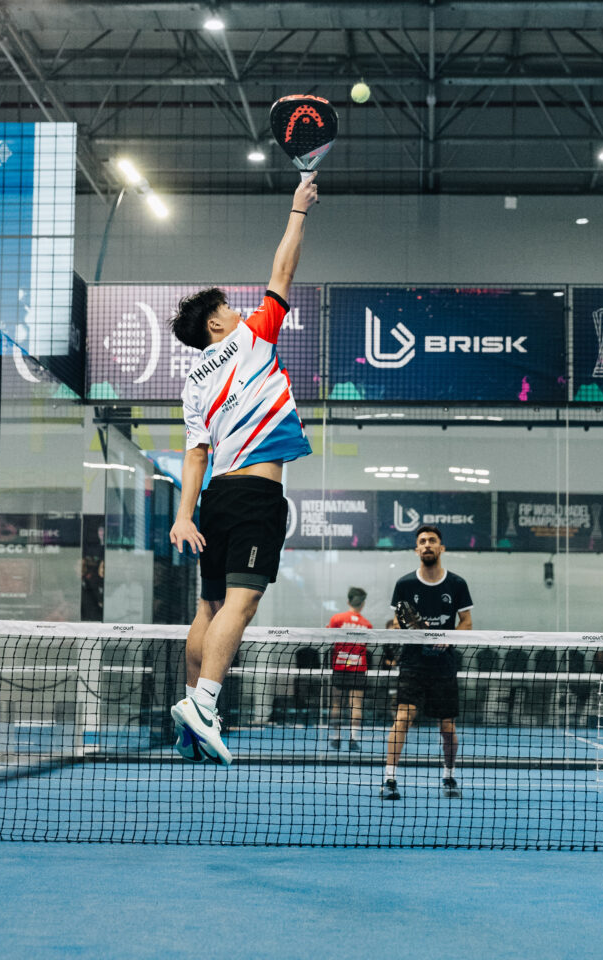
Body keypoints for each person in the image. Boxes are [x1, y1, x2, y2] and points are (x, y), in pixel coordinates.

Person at [168, 173, 319, 765]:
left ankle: (190, 706)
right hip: (257, 497)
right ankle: (205, 705)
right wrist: (298, 209)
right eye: (228, 307)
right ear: (216, 324)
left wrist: (184, 516)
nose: (237, 310)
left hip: (214, 502)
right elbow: (283, 272)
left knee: (207, 608)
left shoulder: (191, 383)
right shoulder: (252, 337)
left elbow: (196, 454)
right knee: (243, 603)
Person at [381, 525, 473, 801]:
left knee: (447, 727)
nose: (427, 545)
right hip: (412, 664)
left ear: (441, 548)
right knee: (402, 718)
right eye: (422, 541)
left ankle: (449, 775)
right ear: (416, 549)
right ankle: (389, 779)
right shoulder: (405, 584)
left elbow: (467, 623)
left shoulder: (456, 584)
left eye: (432, 541)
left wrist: (447, 638)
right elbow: (397, 620)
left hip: (444, 666)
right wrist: (410, 629)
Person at [327, 586, 373, 751]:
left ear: (348, 601)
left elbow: (329, 637)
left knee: (336, 704)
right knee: (356, 705)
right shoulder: (367, 625)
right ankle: (353, 739)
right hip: (358, 669)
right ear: (363, 603)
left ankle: (337, 738)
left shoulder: (337, 619)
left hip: (340, 667)